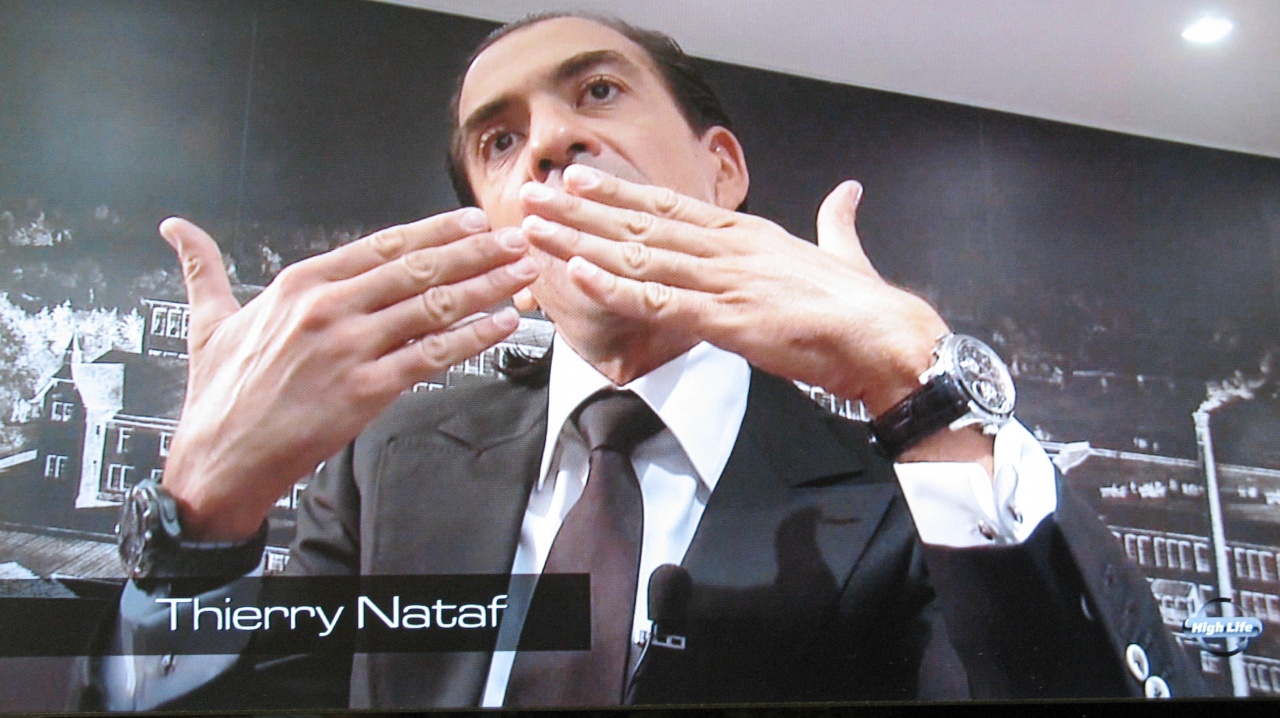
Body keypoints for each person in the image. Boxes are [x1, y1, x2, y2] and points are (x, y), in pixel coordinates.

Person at [78, 11, 1204, 710]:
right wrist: (197, 532)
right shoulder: (389, 464)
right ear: (501, 239)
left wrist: (923, 385)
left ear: (722, 171)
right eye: (500, 140)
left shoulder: (902, 491)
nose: (550, 142)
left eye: (597, 91)